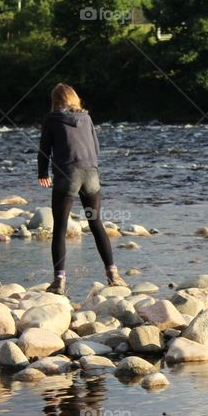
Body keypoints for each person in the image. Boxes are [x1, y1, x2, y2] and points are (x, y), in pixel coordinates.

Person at [37, 83, 125, 295]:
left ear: (55, 100)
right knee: (95, 223)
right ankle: (113, 274)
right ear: (74, 98)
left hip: (67, 175)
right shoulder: (86, 117)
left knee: (60, 227)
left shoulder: (52, 119)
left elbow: (44, 150)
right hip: (90, 174)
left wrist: (43, 174)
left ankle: (59, 282)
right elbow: (96, 147)